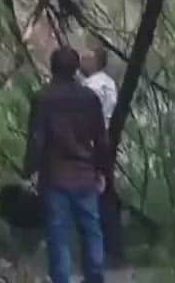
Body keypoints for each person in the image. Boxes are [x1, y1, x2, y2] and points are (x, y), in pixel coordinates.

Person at [25, 46, 110, 283]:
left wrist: (29, 171)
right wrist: (102, 171)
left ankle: (61, 279)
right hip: (85, 175)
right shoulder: (89, 98)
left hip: (54, 176)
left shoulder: (43, 98)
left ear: (53, 68)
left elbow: (36, 138)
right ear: (75, 69)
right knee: (92, 231)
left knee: (58, 235)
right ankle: (95, 277)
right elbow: (101, 139)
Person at [79, 46, 124, 268]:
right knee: (104, 191)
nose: (82, 61)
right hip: (104, 141)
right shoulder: (110, 84)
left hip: (89, 144)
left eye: (86, 57)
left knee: (90, 196)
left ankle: (94, 255)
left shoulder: (90, 87)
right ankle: (111, 246)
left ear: (96, 61)